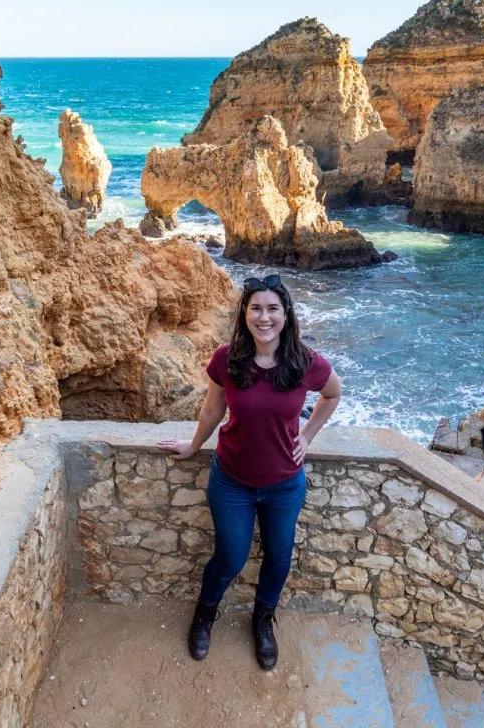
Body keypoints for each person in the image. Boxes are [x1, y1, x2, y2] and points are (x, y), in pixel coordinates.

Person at [157, 273, 342, 670]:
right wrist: (192, 446)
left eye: (272, 308)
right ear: (244, 313)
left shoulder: (305, 362)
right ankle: (206, 613)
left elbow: (333, 394)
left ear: (285, 313)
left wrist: (307, 436)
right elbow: (211, 410)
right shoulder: (227, 358)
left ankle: (263, 620)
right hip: (232, 483)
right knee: (230, 557)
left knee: (278, 557)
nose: (264, 317)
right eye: (256, 308)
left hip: (284, 485)